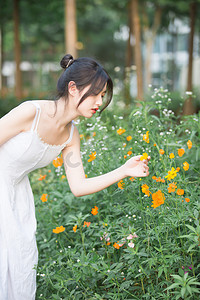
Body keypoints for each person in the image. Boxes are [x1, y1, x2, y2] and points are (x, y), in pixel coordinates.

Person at [0, 54, 150, 300]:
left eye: (103, 96)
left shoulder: (71, 135)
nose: (99, 102)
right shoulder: (31, 112)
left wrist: (123, 170)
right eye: (96, 94)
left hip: (16, 196)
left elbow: (78, 186)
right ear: (72, 88)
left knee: (17, 267)